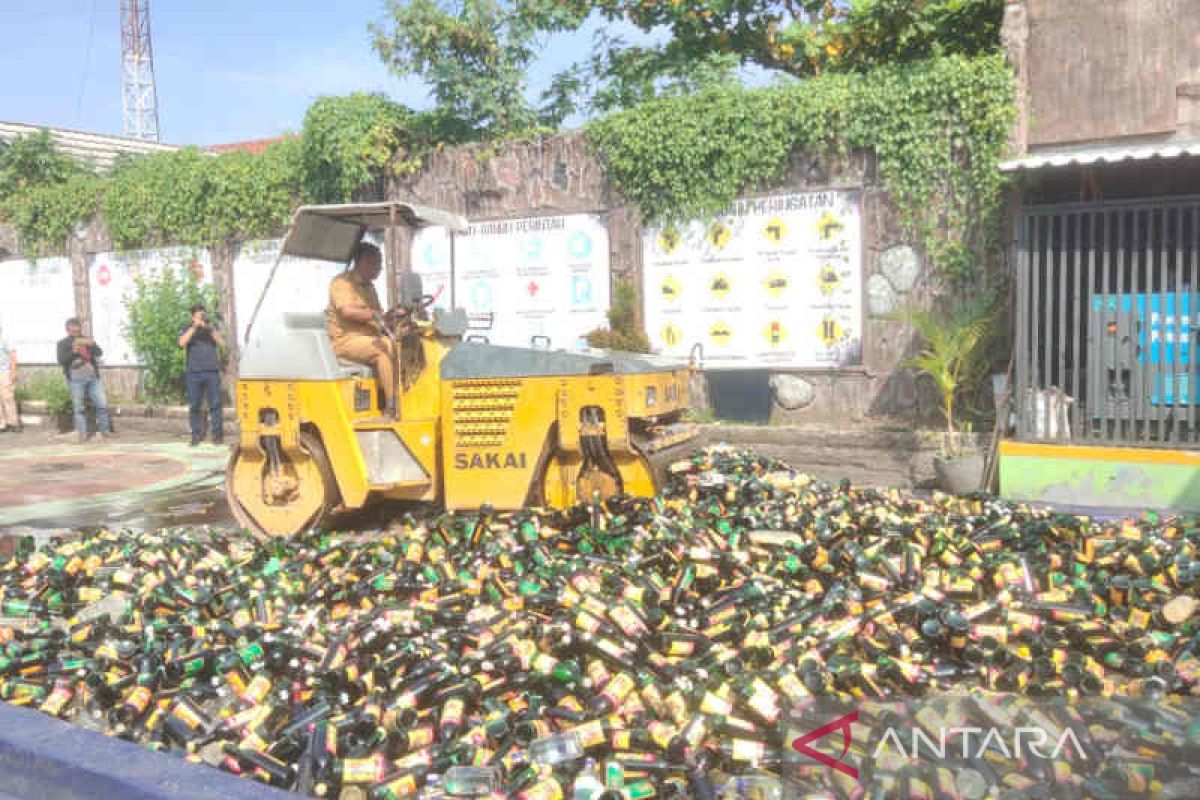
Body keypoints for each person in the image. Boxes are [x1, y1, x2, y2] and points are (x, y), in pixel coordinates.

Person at [326, 242, 398, 415]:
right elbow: (347, 311)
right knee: (384, 348)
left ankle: (403, 393)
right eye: (377, 263)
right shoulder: (342, 282)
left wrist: (394, 316)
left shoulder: (369, 287)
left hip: (367, 339)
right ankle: (393, 404)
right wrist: (375, 315)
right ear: (363, 262)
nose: (380, 268)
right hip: (344, 342)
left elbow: (378, 317)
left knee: (406, 347)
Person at [57, 317, 112, 444]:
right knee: (79, 408)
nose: (77, 332)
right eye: (73, 330)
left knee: (102, 404)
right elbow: (61, 360)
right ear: (67, 330)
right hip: (76, 380)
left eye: (78, 330)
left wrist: (92, 345)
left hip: (93, 378)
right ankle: (82, 434)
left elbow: (99, 353)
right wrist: (73, 352)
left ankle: (105, 431)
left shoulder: (86, 340)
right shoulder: (63, 343)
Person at [178, 303, 226, 446]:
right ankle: (195, 436)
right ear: (193, 316)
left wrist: (209, 328)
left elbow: (222, 342)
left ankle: (217, 437)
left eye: (203, 313)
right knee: (194, 405)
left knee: (215, 405)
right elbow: (181, 343)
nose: (202, 316)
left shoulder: (211, 327)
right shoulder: (187, 327)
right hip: (194, 372)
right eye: (199, 314)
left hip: (212, 371)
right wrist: (194, 327)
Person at [0, 329, 19, 433]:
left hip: (4, 373)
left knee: (8, 397)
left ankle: (13, 423)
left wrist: (14, 371)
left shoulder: (5, 339)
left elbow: (12, 355)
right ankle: (2, 424)